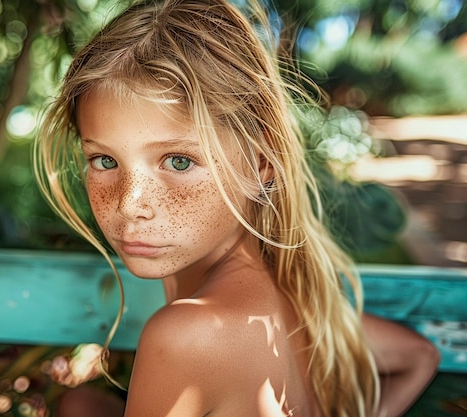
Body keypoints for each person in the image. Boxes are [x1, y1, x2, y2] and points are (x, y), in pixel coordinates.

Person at [34, 0, 440, 415]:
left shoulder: (186, 334)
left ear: (262, 159)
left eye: (179, 161)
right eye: (105, 161)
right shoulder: (303, 300)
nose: (130, 204)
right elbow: (418, 356)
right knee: (81, 403)